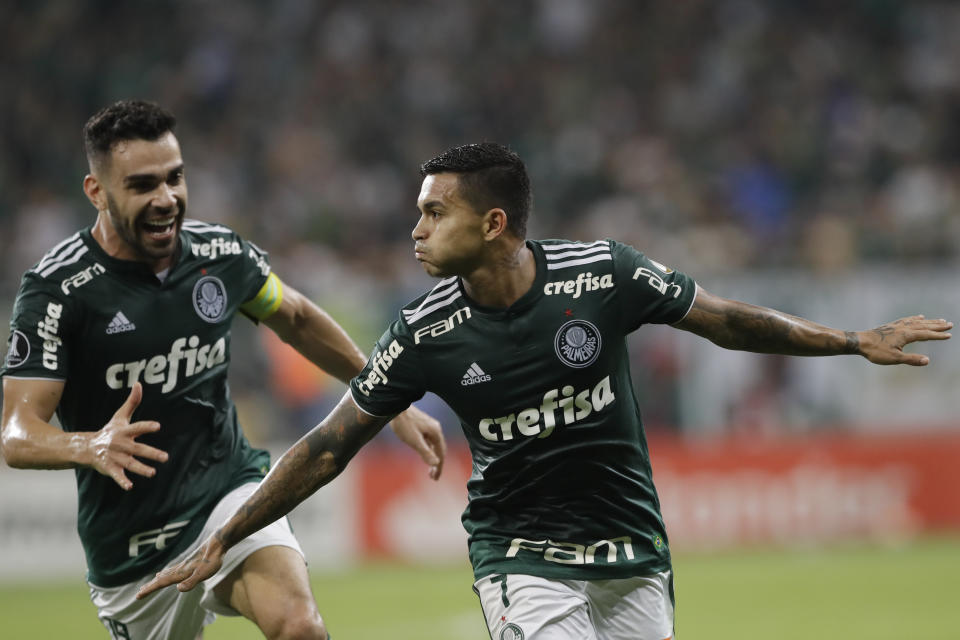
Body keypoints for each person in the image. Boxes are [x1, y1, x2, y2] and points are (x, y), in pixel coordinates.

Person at [136, 142, 952, 640]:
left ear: (493, 224)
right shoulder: (424, 331)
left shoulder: (603, 274)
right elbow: (325, 448)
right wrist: (229, 532)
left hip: (634, 549)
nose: (415, 229)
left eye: (434, 213)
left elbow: (729, 320)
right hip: (522, 557)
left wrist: (849, 340)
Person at [0, 100, 446, 640]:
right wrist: (89, 445)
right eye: (142, 185)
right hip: (131, 544)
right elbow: (17, 433)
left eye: (175, 178)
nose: (166, 199)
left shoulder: (219, 255)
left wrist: (387, 400)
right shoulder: (57, 292)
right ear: (96, 191)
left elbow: (298, 319)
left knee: (300, 627)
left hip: (227, 489)